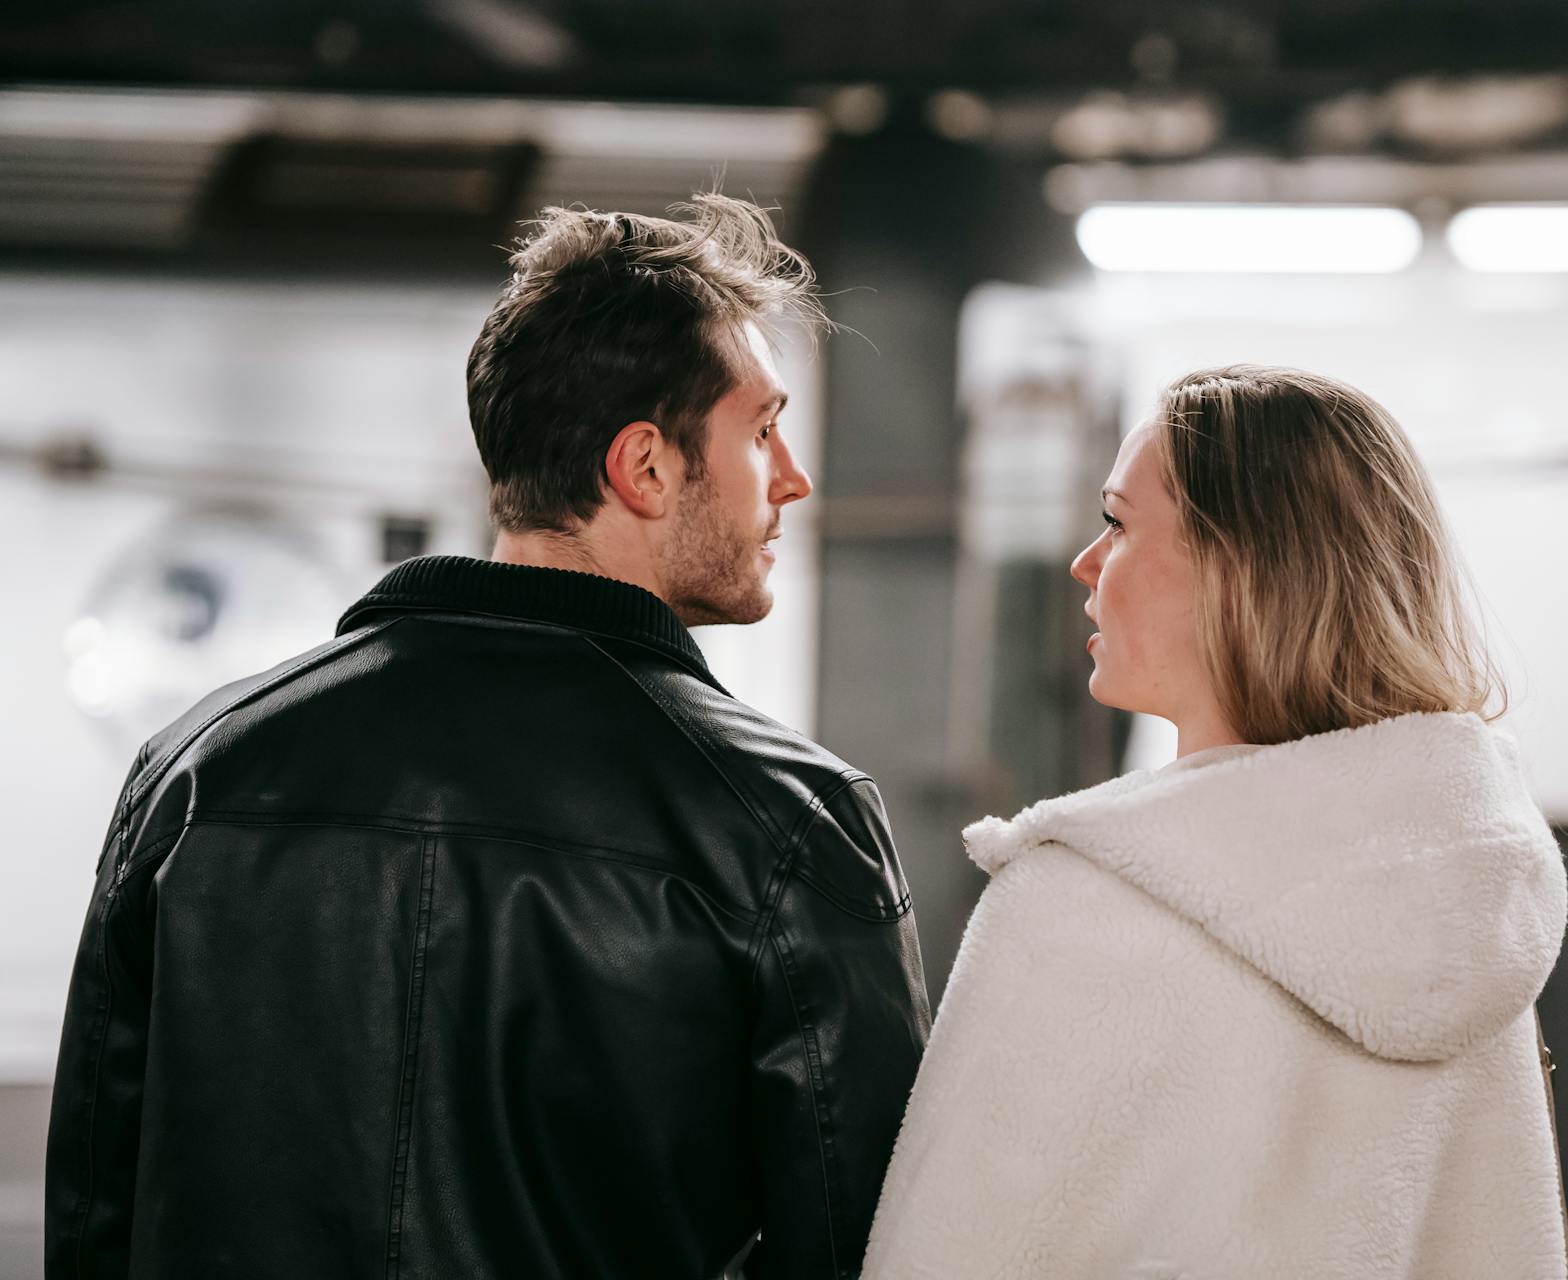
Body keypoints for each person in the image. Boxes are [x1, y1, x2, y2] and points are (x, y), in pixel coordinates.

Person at [45, 196, 930, 1279]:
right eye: (759, 429)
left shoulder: (196, 771)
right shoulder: (787, 821)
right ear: (644, 466)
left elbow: (97, 1210)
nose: (790, 475)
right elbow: (867, 1249)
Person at [863, 365, 1568, 1279]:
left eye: (1118, 524)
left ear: (1238, 569)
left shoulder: (1075, 909)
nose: (1085, 561)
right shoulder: (1467, 913)